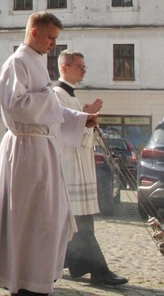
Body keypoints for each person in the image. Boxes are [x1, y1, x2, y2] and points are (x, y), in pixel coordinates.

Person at [0, 12, 98, 296]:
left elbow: (48, 108)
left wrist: (80, 119)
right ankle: (23, 279)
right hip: (26, 149)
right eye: (51, 37)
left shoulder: (37, 61)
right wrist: (52, 98)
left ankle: (37, 276)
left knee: (49, 218)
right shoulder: (17, 62)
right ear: (34, 33)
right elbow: (16, 104)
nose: (54, 44)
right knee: (31, 218)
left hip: (43, 148)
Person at [55, 50, 128, 287]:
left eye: (85, 67)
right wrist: (84, 119)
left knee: (76, 221)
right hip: (69, 167)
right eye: (80, 66)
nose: (84, 70)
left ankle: (63, 261)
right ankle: (99, 270)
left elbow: (75, 125)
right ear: (64, 68)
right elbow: (62, 132)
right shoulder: (56, 94)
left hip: (79, 166)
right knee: (81, 221)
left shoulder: (71, 97)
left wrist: (84, 117)